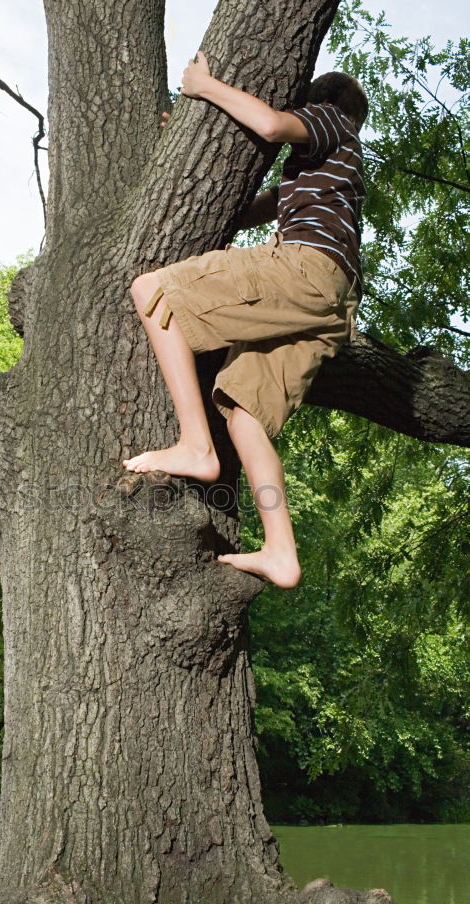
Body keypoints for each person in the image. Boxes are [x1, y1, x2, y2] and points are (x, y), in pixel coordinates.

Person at [122, 53, 367, 589]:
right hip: (332, 304)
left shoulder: (334, 122)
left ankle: (194, 444)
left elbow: (272, 124)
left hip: (307, 267)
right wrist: (188, 136)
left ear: (320, 104)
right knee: (244, 415)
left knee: (151, 290)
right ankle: (281, 549)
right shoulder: (321, 181)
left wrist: (206, 86)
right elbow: (249, 207)